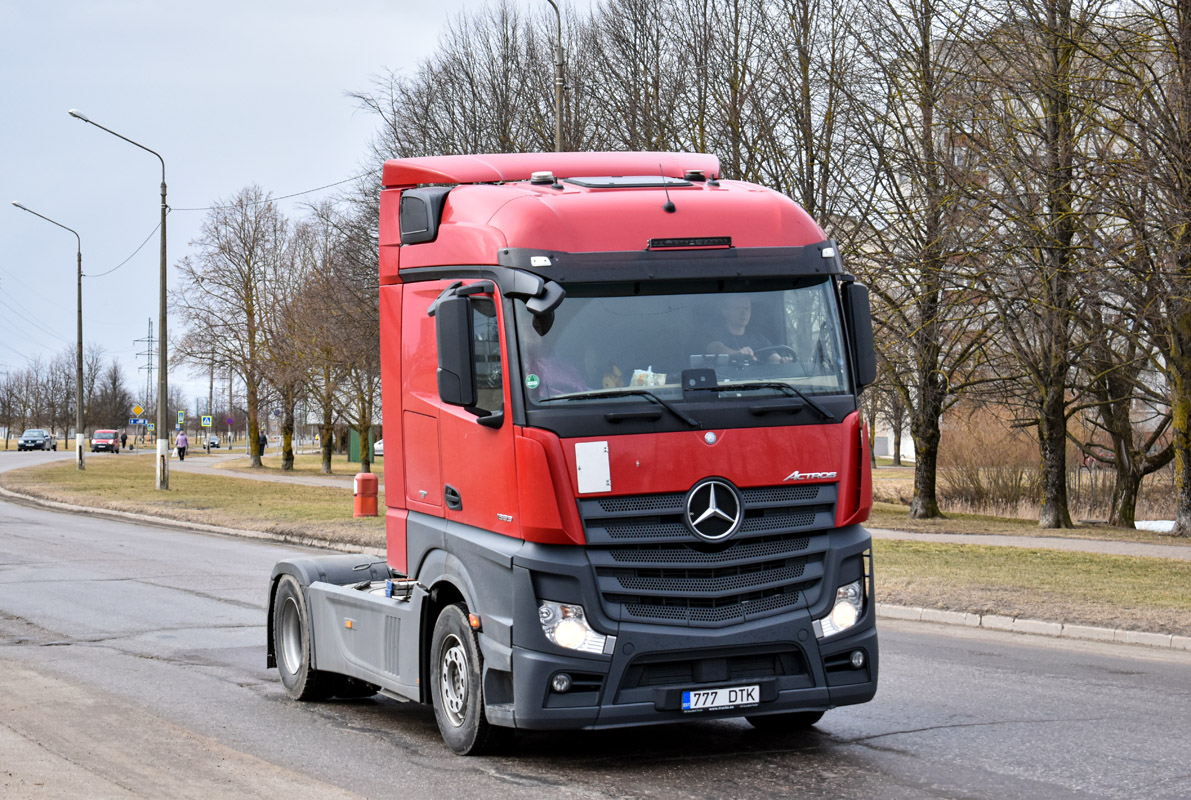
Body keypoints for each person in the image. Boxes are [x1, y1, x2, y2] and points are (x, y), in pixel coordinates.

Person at [706, 295, 792, 363]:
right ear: (725, 311)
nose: (744, 312)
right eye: (738, 308)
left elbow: (773, 357)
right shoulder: (714, 334)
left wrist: (782, 361)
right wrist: (739, 355)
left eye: (747, 308)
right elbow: (715, 349)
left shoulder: (759, 338)